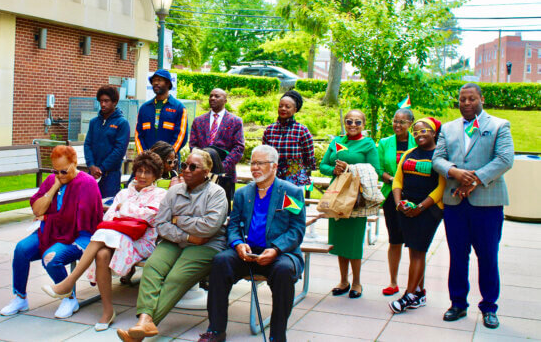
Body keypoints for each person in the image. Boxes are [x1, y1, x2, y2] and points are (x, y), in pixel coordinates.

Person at [41, 151, 167, 331]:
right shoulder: (124, 193)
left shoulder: (160, 194)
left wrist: (124, 209)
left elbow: (150, 216)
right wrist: (129, 210)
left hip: (141, 242)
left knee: (104, 235)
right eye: (139, 171)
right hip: (114, 238)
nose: (142, 176)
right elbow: (108, 217)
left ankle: (69, 283)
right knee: (101, 254)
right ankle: (107, 312)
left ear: (156, 174)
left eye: (148, 172)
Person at [117, 149, 228, 342]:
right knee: (152, 268)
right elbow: (161, 224)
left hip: (207, 245)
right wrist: (188, 235)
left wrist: (177, 220)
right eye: (184, 165)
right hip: (176, 241)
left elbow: (208, 227)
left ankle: (142, 328)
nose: (186, 170)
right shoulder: (174, 191)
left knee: (176, 276)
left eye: (193, 167)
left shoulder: (217, 193)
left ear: (207, 171)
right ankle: (144, 321)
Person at [201, 145, 306, 342]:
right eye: (252, 163)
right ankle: (215, 330)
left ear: (274, 166)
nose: (254, 168)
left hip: (279, 253)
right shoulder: (243, 193)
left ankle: (277, 335)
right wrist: (238, 244)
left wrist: (275, 249)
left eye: (260, 163)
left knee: (284, 271)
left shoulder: (291, 192)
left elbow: (297, 230)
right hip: (247, 252)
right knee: (220, 262)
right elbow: (232, 226)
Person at [432, 83, 514, 329]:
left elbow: (504, 159)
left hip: (487, 204)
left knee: (487, 256)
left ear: (481, 99)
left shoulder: (499, 126)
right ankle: (457, 303)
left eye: (471, 99)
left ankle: (489, 307)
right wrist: (454, 171)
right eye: (462, 99)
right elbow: (438, 159)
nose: (466, 103)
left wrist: (475, 179)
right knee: (457, 256)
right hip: (456, 202)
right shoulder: (448, 128)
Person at [0, 146, 103, 319]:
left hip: (79, 236)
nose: (60, 175)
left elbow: (77, 219)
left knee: (51, 258)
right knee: (21, 250)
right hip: (51, 231)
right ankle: (20, 298)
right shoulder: (52, 180)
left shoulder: (87, 183)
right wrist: (55, 186)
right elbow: (37, 210)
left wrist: (48, 218)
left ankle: (69, 298)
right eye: (55, 171)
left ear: (74, 163)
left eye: (64, 171)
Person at [320, 110, 381, 299]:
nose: (352, 125)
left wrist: (349, 168)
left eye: (357, 122)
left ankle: (356, 282)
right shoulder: (338, 141)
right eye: (349, 121)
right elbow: (323, 166)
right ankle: (343, 280)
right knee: (339, 240)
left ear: (363, 124)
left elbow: (375, 170)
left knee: (354, 241)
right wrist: (335, 170)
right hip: (337, 195)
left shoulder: (368, 144)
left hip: (356, 197)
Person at [388, 117, 445, 314]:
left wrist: (420, 207)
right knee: (413, 251)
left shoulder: (440, 156)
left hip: (428, 211)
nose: (420, 134)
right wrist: (398, 204)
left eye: (425, 130)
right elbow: (397, 180)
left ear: (434, 132)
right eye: (416, 131)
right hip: (406, 209)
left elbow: (441, 188)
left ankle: (408, 295)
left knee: (419, 251)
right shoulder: (410, 153)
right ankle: (419, 293)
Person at [377, 108, 416, 296]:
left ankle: (416, 284)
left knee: (415, 242)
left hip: (415, 196)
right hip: (391, 196)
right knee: (395, 239)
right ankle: (393, 282)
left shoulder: (419, 143)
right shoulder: (385, 143)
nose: (397, 125)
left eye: (402, 122)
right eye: (395, 121)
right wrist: (394, 180)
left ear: (410, 124)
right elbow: (378, 169)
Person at [189, 88, 245, 194]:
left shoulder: (235, 121)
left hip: (225, 174)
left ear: (225, 101)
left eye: (217, 96)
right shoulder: (198, 121)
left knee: (224, 206)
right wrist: (201, 165)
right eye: (211, 96)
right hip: (201, 173)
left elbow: (239, 147)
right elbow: (193, 145)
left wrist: (223, 166)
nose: (212, 98)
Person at [262, 90, 316, 196]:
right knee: (272, 206)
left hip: (294, 175)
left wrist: (302, 172)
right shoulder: (270, 129)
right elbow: (264, 153)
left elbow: (309, 157)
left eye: (287, 107)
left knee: (292, 208)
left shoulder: (302, 130)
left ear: (295, 110)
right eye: (280, 106)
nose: (283, 109)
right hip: (273, 174)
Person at [85, 85, 131, 199]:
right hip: (92, 173)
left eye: (106, 101)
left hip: (111, 175)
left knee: (107, 207)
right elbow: (87, 145)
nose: (103, 104)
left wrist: (102, 168)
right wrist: (91, 166)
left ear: (115, 102)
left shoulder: (122, 123)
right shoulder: (94, 122)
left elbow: (119, 150)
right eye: (101, 101)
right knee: (89, 204)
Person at [134, 69, 188, 154]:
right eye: (154, 80)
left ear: (168, 83)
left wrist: (168, 156)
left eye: (159, 80)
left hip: (170, 163)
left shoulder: (179, 108)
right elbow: (138, 135)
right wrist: (144, 155)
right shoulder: (144, 108)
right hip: (148, 162)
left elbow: (181, 137)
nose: (155, 83)